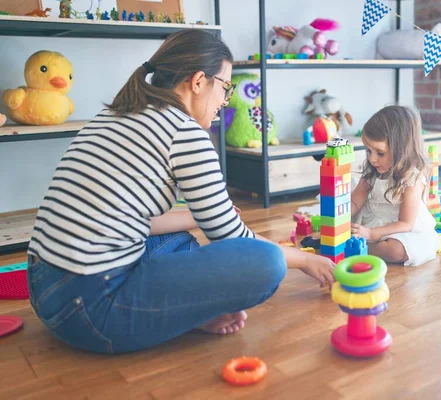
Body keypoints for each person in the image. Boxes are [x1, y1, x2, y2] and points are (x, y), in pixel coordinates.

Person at [26, 29, 335, 355]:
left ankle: (183, 314)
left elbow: (131, 223)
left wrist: (198, 217)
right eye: (225, 89)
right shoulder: (184, 131)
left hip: (45, 288)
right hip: (91, 310)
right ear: (199, 81)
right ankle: (180, 313)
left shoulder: (115, 114)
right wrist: (301, 260)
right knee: (269, 262)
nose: (223, 102)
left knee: (181, 242)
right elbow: (233, 240)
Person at [350, 105, 440, 266]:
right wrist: (338, 218)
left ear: (401, 149)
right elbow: (355, 202)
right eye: (368, 151)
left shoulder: (412, 179)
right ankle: (353, 243)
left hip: (400, 230)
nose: (372, 159)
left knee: (396, 251)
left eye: (380, 153)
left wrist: (371, 234)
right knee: (346, 226)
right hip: (373, 221)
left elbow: (405, 223)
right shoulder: (373, 171)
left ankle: (356, 248)